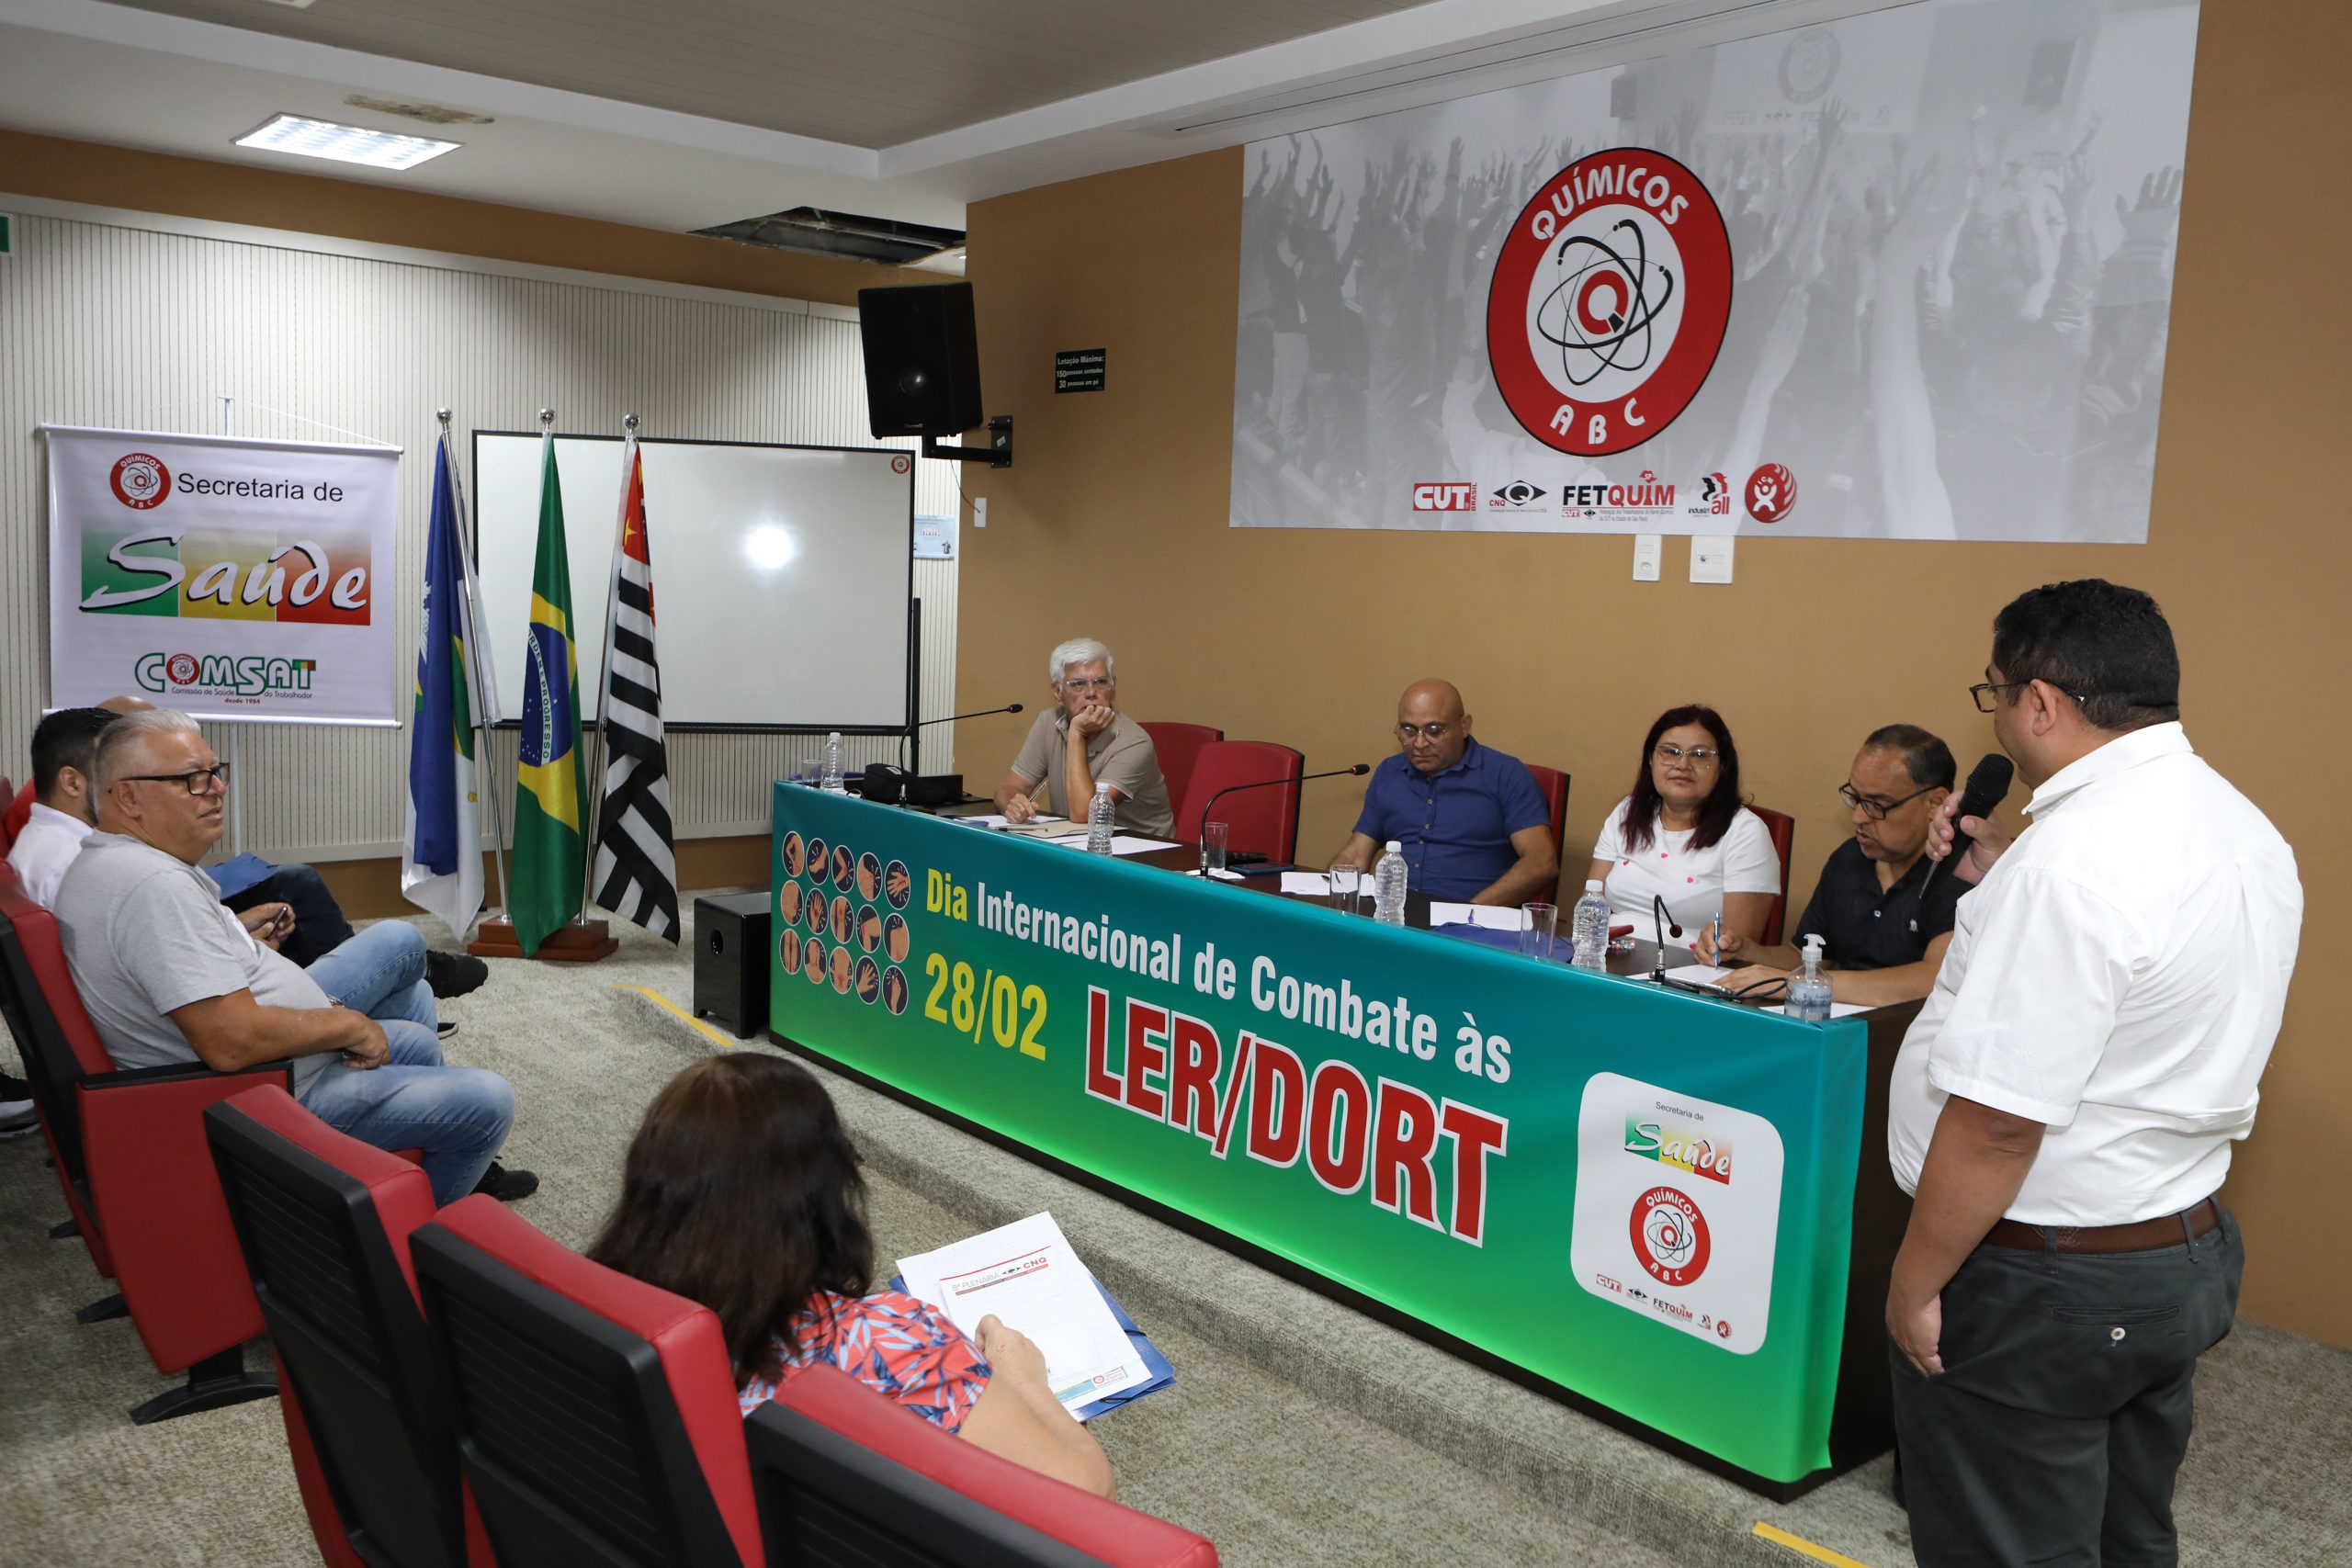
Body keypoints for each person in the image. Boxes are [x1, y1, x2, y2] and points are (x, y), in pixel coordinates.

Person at [1883, 580, 2300, 1567]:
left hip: (2044, 1282)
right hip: (2174, 1254)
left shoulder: (2069, 867)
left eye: (1993, 694)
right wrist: (2005, 880)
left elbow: (1997, 1125)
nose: (1996, 716)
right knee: (2125, 1536)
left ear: (2039, 704)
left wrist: (1914, 1278)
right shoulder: (2240, 826)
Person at [51, 709, 535, 1205]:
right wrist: (349, 1025)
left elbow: (168, 971)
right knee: (487, 1101)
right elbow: (230, 1043)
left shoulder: (112, 862)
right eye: (192, 780)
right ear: (128, 796)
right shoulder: (153, 887)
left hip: (261, 1073)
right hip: (255, 1096)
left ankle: (385, 1191)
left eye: (216, 773)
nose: (216, 788)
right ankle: (400, 1252)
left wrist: (238, 945)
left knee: (412, 1035)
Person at [588, 1055, 1115, 1496]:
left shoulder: (601, 1311)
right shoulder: (889, 1341)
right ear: (820, 1197)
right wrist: (1021, 1376)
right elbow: (1087, 1496)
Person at [8, 700, 487, 999]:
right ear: (72, 781)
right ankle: (410, 974)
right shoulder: (85, 864)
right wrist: (232, 943)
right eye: (109, 764)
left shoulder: (62, 845)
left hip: (221, 973)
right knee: (396, 941)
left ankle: (400, 992)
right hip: (228, 1007)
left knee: (407, 1000)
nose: (213, 788)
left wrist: (232, 930)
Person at [1699, 725, 1962, 1007]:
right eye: (1856, 798)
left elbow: (1934, 978)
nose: (1859, 817)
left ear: (1934, 803)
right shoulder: (1849, 859)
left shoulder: (1960, 870)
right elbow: (1804, 956)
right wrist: (1745, 950)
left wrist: (1795, 984)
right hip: (1837, 1023)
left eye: (1877, 804)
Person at [1329, 679, 1557, 905]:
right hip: (1393, 915)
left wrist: (1468, 915)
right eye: (1408, 730)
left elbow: (1541, 862)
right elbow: (1356, 855)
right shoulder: (1390, 772)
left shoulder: (1505, 774)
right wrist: (1325, 898)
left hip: (1473, 920)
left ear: (1464, 726)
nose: (1419, 743)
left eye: (1434, 731)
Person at [1588, 705, 1781, 945]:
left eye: (1700, 755)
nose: (1682, 764)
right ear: (1651, 759)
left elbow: (1736, 949)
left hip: (1689, 972)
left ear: (1722, 767)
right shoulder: (1627, 811)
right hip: (1609, 960)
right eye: (1670, 752)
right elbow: (1591, 906)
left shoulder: (1746, 832)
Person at [995, 637, 1175, 839]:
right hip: (1076, 844)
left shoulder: (1135, 742)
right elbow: (1009, 787)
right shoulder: (1048, 722)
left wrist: (1076, 734)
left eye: (1100, 682)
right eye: (1078, 684)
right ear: (1057, 692)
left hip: (1141, 856)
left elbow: (1085, 814)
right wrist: (1012, 804)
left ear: (1113, 687)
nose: (1091, 692)